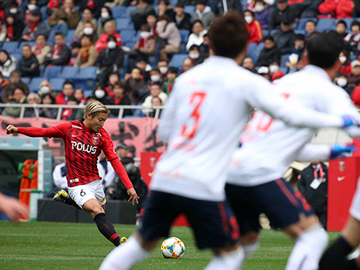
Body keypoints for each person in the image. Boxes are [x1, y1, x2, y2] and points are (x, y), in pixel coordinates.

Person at [99, 13, 357, 270]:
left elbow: (165, 132)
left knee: (140, 247)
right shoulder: (250, 82)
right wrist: (340, 122)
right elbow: (288, 115)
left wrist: (330, 150)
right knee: (282, 243)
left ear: (208, 43)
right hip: (208, 179)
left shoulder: (187, 78)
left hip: (171, 175)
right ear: (246, 47)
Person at [225, 30, 360, 270]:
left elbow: (292, 150)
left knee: (246, 244)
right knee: (313, 237)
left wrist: (331, 152)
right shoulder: (328, 92)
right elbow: (354, 125)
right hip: (259, 172)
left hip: (233, 168)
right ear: (340, 62)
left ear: (304, 58)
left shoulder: (280, 83)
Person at [6, 101, 139, 247]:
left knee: (99, 213)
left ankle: (67, 200)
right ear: (89, 115)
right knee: (96, 210)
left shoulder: (102, 135)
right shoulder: (70, 128)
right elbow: (43, 132)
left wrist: (129, 186)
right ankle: (119, 243)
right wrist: (17, 129)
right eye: (100, 120)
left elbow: (114, 160)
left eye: (104, 121)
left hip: (95, 182)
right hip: (77, 183)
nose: (102, 124)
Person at [298, 162, 328, 229]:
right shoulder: (306, 171)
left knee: (323, 223)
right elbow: (300, 185)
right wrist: (306, 194)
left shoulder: (326, 169)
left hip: (324, 201)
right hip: (310, 201)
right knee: (311, 223)